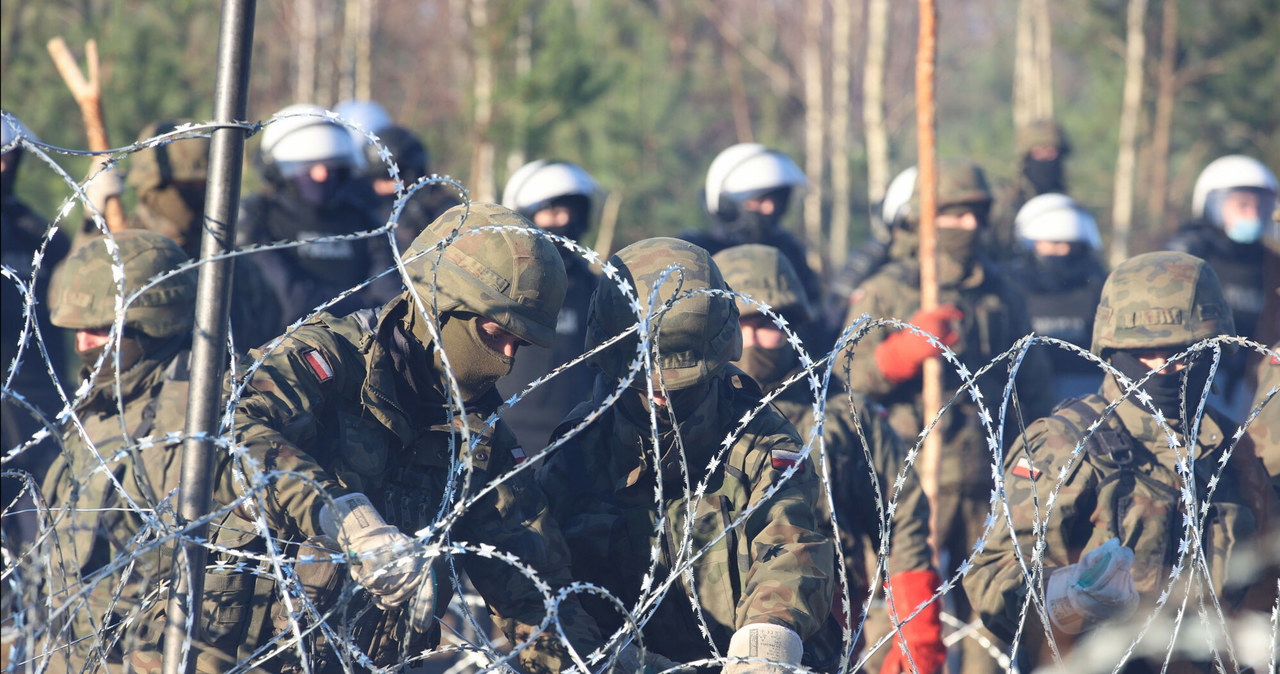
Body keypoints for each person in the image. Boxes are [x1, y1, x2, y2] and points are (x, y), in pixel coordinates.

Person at [224, 202, 605, 672]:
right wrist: (342, 517)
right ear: (439, 306)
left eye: (520, 344)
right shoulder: (330, 361)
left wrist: (598, 663)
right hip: (236, 654)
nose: (507, 359)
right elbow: (230, 429)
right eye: (494, 334)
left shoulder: (481, 439)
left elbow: (533, 588)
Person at [964, 251, 1280, 672]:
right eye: (1145, 354)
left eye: (1184, 353)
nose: (1164, 368)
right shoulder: (1066, 442)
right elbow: (992, 576)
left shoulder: (1232, 450)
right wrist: (1067, 596)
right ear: (1112, 351)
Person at [536, 237, 836, 671]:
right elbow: (541, 574)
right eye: (644, 382)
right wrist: (594, 654)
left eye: (679, 383)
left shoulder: (760, 439)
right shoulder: (580, 447)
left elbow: (789, 545)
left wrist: (768, 640)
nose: (660, 397)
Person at [839, 159, 1055, 674]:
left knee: (992, 622)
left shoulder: (1001, 292)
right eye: (953, 216)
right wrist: (898, 354)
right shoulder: (887, 289)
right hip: (909, 486)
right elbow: (844, 380)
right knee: (904, 624)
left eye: (975, 216)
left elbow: (1033, 384)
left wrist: (1035, 456)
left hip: (987, 480)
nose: (968, 227)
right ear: (921, 219)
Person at [713, 243, 944, 674]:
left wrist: (918, 633)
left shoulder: (838, 413)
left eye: (777, 322)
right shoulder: (691, 418)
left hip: (827, 626)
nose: (767, 337)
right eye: (752, 323)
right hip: (709, 622)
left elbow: (901, 516)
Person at [36, 230, 209, 672]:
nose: (82, 344)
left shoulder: (198, 417)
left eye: (99, 330)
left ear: (155, 325)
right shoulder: (101, 405)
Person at [111, 120, 280, 351]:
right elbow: (65, 299)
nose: (199, 197)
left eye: (205, 186)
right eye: (188, 186)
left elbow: (268, 324)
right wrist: (91, 221)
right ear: (153, 187)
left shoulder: (227, 258)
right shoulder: (118, 246)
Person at [237, 103, 396, 335]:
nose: (321, 175)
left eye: (330, 165)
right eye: (307, 167)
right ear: (277, 169)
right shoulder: (258, 218)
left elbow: (390, 300)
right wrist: (362, 305)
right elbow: (289, 301)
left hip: (358, 353)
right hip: (275, 356)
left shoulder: (363, 220)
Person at [499, 159, 602, 449]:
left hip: (576, 439)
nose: (562, 222)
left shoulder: (594, 288)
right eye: (551, 211)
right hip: (509, 437)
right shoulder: (504, 285)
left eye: (569, 211)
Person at [1165, 155, 1278, 419]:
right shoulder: (1188, 254)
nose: (1252, 214)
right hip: (1196, 388)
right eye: (1242, 204)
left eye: (1261, 206)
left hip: (1256, 388)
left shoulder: (1271, 262)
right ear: (1212, 204)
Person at [1, 112, 69, 540]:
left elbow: (88, 292)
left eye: (9, 157)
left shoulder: (36, 233)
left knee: (38, 550)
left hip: (36, 414)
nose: (3, 167)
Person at [679, 142, 822, 309]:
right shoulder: (697, 254)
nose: (770, 208)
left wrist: (841, 298)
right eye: (758, 199)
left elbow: (812, 323)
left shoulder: (789, 252)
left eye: (777, 199)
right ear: (726, 203)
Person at [1003, 193, 1108, 402]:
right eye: (1053, 243)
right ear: (1029, 243)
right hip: (1026, 400)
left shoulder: (1101, 290)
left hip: (1091, 404)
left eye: (1072, 244)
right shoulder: (1008, 289)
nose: (1064, 250)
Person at [990, 118, 1072, 257]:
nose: (1046, 158)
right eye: (1038, 152)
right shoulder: (1005, 202)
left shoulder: (1067, 204)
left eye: (1051, 152)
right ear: (1026, 157)